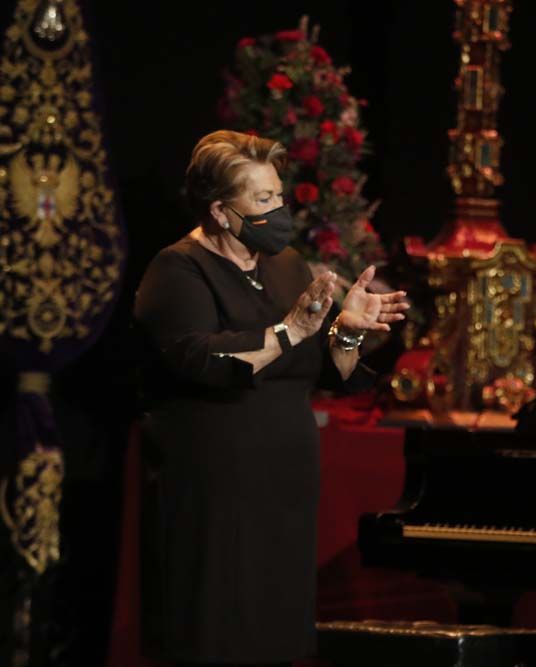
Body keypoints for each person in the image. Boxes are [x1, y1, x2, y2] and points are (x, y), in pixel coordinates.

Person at [133, 130, 408, 666]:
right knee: (217, 631)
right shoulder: (178, 269)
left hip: (284, 480)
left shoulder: (284, 264)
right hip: (214, 484)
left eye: (278, 195)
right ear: (219, 210)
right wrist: (287, 333)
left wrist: (348, 330)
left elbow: (328, 368)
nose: (278, 210)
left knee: (277, 631)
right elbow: (204, 360)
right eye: (262, 200)